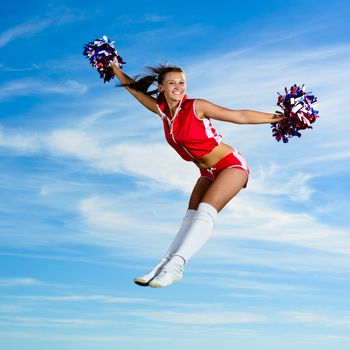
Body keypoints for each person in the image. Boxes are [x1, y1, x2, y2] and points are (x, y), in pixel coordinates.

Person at [109, 61, 283, 288]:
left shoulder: (196, 106)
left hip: (231, 166)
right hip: (207, 171)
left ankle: (177, 266)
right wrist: (114, 67)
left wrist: (280, 118)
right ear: (161, 87)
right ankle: (163, 265)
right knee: (188, 220)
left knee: (204, 212)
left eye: (182, 83)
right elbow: (134, 89)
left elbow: (239, 115)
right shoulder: (163, 112)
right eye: (172, 83)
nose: (178, 87)